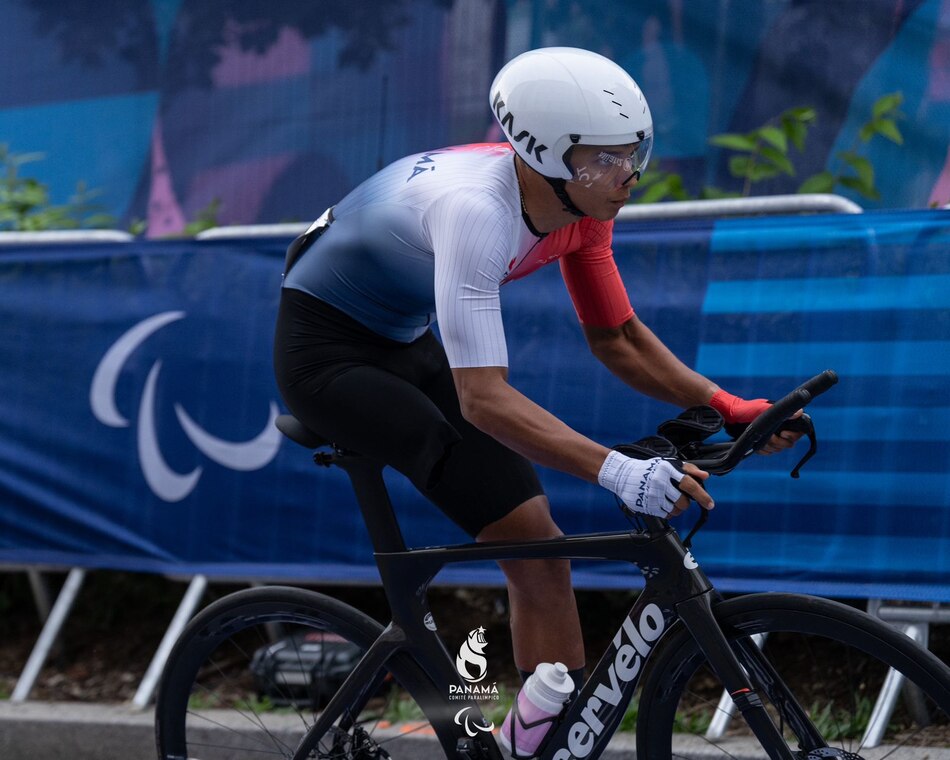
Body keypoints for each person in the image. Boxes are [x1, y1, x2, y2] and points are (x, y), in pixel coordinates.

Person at [273, 47, 802, 693]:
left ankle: (544, 734)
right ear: (546, 155)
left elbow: (619, 340)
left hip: (404, 340)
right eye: (604, 158)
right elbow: (485, 401)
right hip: (326, 358)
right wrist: (620, 472)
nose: (626, 173)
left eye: (633, 151)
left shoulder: (581, 207)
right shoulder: (476, 211)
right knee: (479, 480)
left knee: (541, 554)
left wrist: (728, 405)